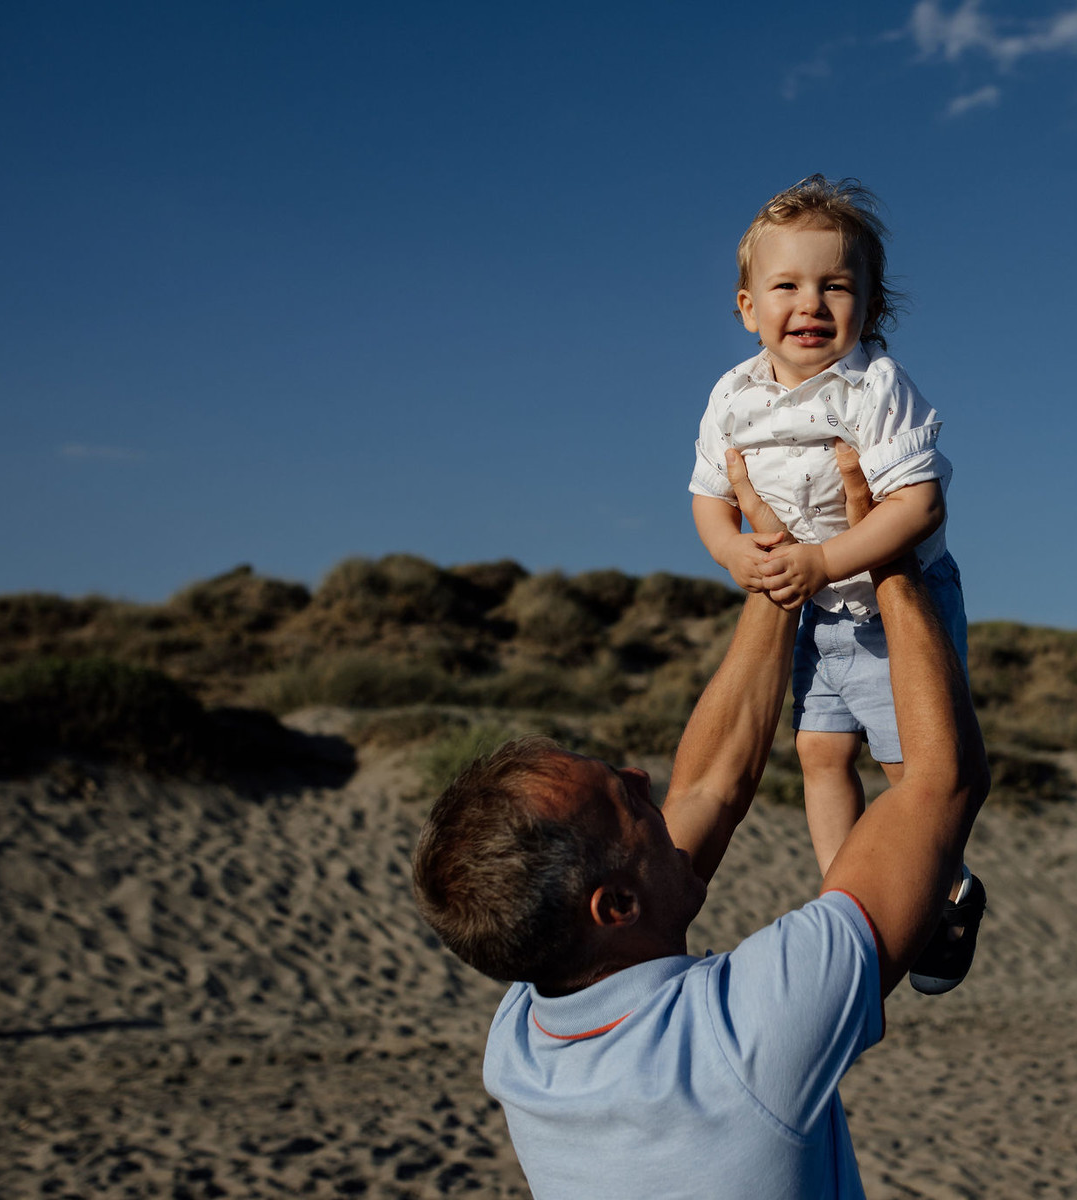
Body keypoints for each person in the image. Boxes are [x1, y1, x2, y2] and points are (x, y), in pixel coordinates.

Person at [411, 449, 990, 1199]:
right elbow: (941, 786)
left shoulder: (526, 1031)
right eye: (625, 800)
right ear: (615, 906)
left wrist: (777, 567)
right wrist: (889, 556)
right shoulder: (745, 1036)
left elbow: (712, 786)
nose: (643, 777)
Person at [688, 175, 983, 992]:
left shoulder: (874, 388)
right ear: (748, 307)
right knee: (818, 750)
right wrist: (730, 554)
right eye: (786, 285)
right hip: (816, 614)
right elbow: (709, 495)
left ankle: (944, 889)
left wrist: (826, 557)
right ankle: (846, 893)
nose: (810, 303)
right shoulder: (733, 396)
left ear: (870, 307)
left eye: (836, 286)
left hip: (895, 610)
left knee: (912, 770)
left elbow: (917, 504)